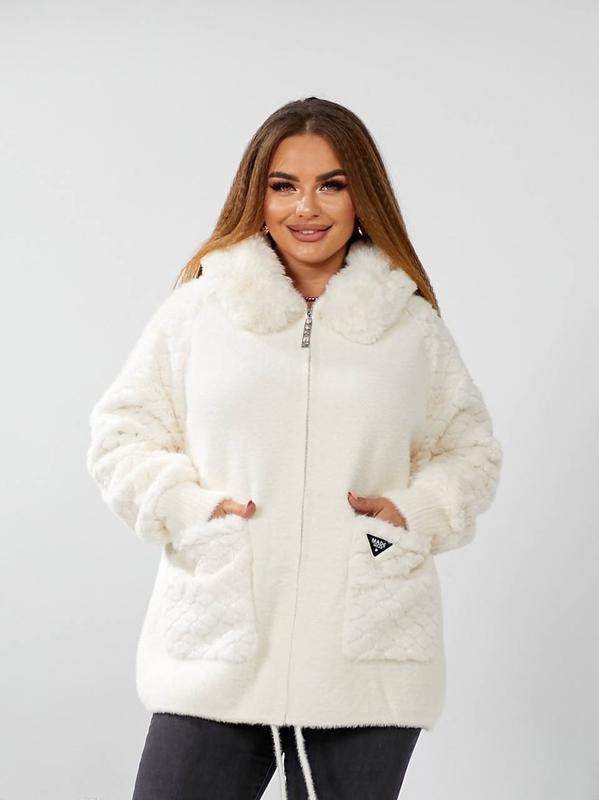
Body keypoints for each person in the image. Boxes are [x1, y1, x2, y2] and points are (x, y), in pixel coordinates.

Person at [86, 96, 503, 799]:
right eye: (284, 185)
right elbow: (120, 434)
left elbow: (470, 451)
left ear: (361, 195)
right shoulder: (200, 310)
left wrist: (409, 517)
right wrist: (193, 512)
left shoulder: (409, 326)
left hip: (363, 652)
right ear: (258, 194)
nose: (306, 207)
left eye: (331, 184)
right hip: (218, 639)